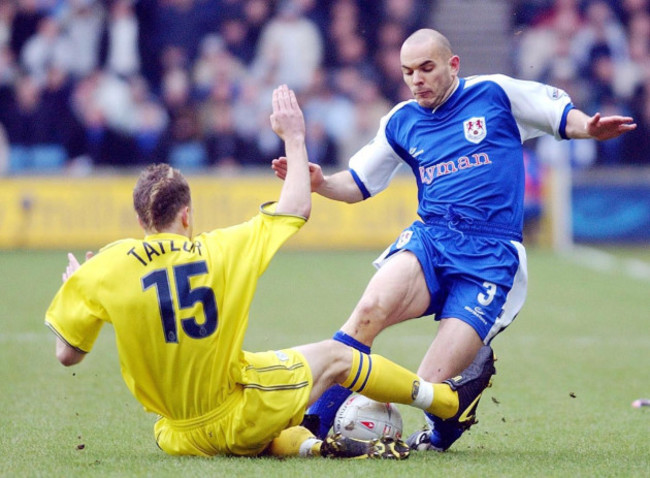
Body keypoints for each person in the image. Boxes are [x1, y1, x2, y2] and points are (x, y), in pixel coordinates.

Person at [45, 84, 496, 459]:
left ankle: (310, 449)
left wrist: (75, 286)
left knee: (253, 382)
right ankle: (447, 401)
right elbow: (297, 206)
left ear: (141, 221)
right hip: (237, 415)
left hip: (178, 436)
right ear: (186, 215)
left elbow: (68, 355)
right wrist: (294, 138)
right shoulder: (219, 248)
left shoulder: (105, 266)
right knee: (336, 356)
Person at [272, 29, 637, 451]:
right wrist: (320, 183)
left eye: (427, 68)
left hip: (491, 254)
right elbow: (357, 183)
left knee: (426, 384)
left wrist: (588, 129)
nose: (417, 80)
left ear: (453, 64)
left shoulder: (494, 93)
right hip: (431, 238)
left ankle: (444, 428)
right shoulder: (401, 121)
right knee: (368, 311)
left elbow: (557, 114)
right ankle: (315, 425)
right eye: (408, 72)